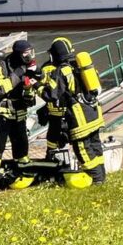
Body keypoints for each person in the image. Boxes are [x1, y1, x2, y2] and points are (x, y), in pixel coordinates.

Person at [41, 37, 105, 186]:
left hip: (80, 117)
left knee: (82, 148)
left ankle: (96, 179)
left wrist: (37, 85)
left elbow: (51, 94)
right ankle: (102, 176)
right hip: (94, 112)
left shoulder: (61, 70)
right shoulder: (79, 65)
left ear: (55, 54)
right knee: (95, 145)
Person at [0, 41, 37, 193]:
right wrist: (17, 74)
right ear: (17, 54)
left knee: (22, 146)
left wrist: (31, 87)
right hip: (1, 113)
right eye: (26, 53)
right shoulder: (0, 66)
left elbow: (30, 90)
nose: (29, 56)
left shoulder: (27, 67)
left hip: (18, 112)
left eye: (31, 52)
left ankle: (21, 174)